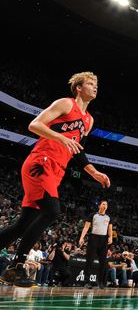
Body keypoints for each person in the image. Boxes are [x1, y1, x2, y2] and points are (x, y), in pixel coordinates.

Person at [0, 72, 110, 288]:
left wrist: (93, 172)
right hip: (40, 162)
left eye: (96, 83)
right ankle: (16, 265)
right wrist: (60, 137)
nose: (95, 86)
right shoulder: (65, 104)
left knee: (23, 225)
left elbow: (77, 150)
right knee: (52, 210)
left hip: (57, 171)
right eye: (90, 83)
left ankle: (13, 267)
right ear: (78, 87)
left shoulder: (88, 121)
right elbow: (35, 125)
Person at [78, 200, 113, 288]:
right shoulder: (93, 215)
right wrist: (82, 237)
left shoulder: (108, 217)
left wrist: (110, 237)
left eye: (106, 204)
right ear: (99, 206)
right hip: (93, 238)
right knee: (90, 260)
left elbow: (110, 229)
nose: (105, 206)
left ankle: (101, 282)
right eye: (103, 204)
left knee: (103, 262)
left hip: (103, 240)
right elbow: (86, 227)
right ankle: (87, 282)